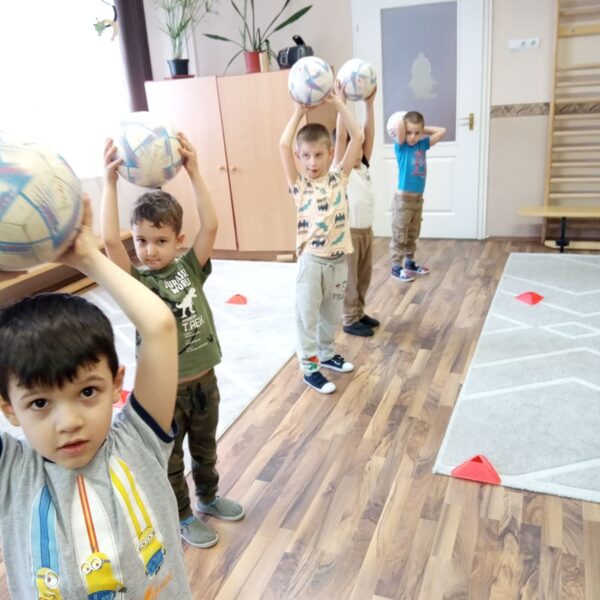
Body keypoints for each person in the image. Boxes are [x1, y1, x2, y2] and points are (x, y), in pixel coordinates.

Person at [0, 198, 192, 598]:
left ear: (116, 383)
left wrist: (88, 257)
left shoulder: (139, 440)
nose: (69, 422)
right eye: (39, 403)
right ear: (9, 409)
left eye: (87, 392)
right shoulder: (11, 474)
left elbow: (159, 327)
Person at [101, 133, 244, 550]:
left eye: (160, 240)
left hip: (204, 383)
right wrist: (109, 183)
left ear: (178, 241)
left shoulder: (190, 267)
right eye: (141, 240)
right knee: (171, 458)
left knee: (205, 447)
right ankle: (181, 515)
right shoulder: (136, 282)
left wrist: (195, 171)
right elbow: (109, 243)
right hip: (163, 394)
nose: (149, 250)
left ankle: (209, 497)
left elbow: (211, 225)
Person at [279, 83, 363, 394]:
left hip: (338, 261)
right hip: (312, 263)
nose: (312, 162)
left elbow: (357, 137)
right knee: (307, 316)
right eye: (306, 156)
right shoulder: (299, 186)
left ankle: (326, 354)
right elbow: (283, 145)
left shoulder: (339, 177)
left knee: (330, 314)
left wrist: (340, 104)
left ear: (329, 154)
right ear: (299, 158)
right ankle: (310, 367)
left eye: (318, 155)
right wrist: (298, 112)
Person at [333, 87, 380, 337]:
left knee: (364, 276)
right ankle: (349, 318)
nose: (359, 150)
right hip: (349, 234)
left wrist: (369, 105)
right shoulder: (342, 171)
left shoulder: (363, 167)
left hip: (366, 232)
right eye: (355, 146)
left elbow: (368, 134)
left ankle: (359, 312)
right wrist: (340, 102)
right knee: (350, 280)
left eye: (360, 147)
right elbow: (342, 137)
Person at [389, 111, 446, 282]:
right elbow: (398, 126)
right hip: (403, 202)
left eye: (416, 133)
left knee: (413, 234)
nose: (413, 137)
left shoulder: (422, 145)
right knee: (400, 234)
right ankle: (396, 267)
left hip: (417, 200)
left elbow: (442, 131)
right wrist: (405, 126)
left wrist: (422, 129)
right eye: (409, 132)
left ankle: (409, 263)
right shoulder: (401, 146)